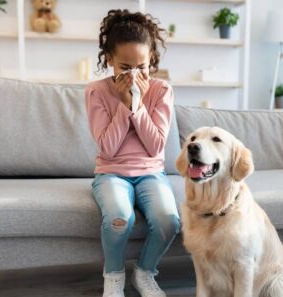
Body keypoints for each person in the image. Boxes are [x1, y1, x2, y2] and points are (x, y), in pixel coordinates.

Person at [84, 9, 180, 297]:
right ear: (109, 60)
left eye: (142, 67)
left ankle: (145, 271)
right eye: (125, 67)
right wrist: (124, 105)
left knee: (169, 220)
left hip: (151, 172)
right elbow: (108, 148)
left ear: (151, 59)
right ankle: (113, 276)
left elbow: (156, 146)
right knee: (119, 219)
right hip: (111, 173)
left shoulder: (161, 91)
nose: (135, 75)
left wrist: (137, 107)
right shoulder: (96, 92)